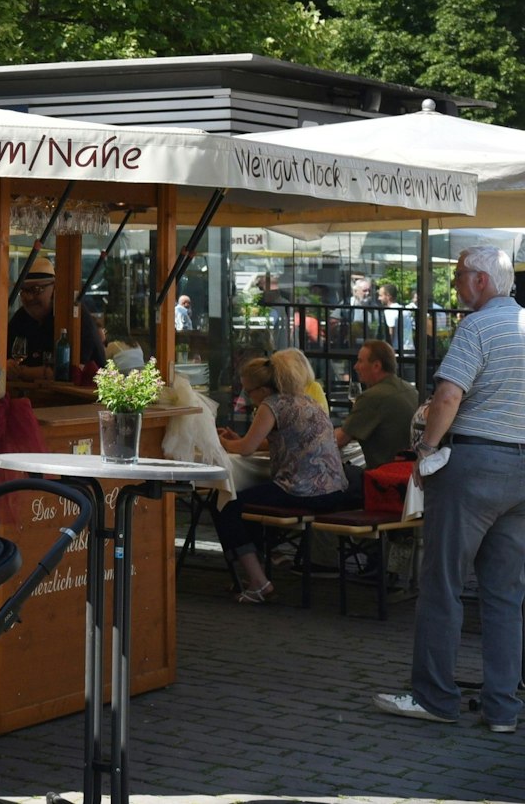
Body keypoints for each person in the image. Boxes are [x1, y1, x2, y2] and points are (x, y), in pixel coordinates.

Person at [374, 246, 525, 732]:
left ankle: (435, 696)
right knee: (504, 594)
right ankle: (502, 709)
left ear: (481, 280)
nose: (455, 284)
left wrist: (426, 449)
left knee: (443, 583)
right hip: (521, 472)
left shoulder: (477, 327)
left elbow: (448, 396)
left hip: (474, 464)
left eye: (460, 276)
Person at [215, 350, 349, 604]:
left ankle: (259, 582)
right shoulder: (306, 400)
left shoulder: (272, 404)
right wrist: (240, 441)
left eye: (249, 392)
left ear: (264, 390)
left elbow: (246, 449)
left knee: (227, 505)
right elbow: (282, 440)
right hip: (334, 490)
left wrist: (221, 441)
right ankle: (255, 573)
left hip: (302, 490)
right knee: (247, 504)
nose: (248, 398)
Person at [336, 339, 418, 469]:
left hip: (383, 474)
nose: (355, 366)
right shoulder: (410, 389)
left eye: (360, 361)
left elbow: (339, 440)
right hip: (410, 470)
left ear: (376, 366)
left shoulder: (372, 397)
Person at [7, 255, 58, 366]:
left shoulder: (69, 319)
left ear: (54, 289)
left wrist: (22, 371)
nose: (29, 297)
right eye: (24, 290)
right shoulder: (20, 319)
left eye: (36, 289)